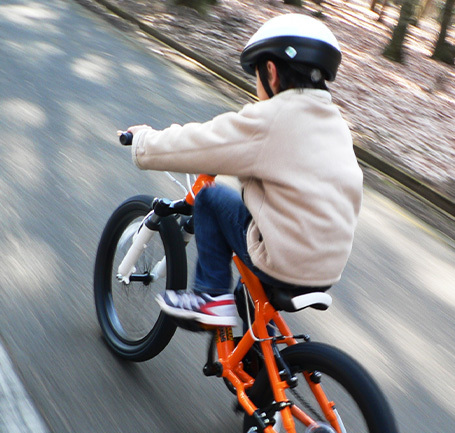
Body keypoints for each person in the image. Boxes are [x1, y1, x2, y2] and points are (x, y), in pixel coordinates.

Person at [126, 14, 363, 327]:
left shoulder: (272, 118)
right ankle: (262, 365)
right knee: (247, 281)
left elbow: (199, 144)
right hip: (327, 267)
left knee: (211, 199)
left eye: (256, 75)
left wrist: (143, 140)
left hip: (282, 260)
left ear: (271, 71)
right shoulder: (336, 125)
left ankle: (210, 297)